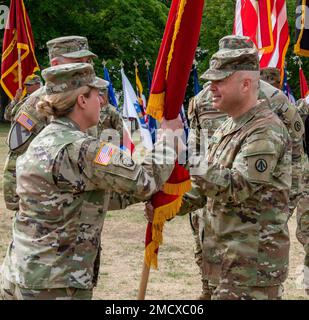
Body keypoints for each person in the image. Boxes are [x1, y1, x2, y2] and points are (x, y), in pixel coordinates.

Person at [0, 63, 183, 300]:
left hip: (22, 274)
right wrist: (168, 142)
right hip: (56, 284)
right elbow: (144, 181)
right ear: (82, 101)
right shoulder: (83, 149)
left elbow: (84, 198)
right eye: (97, 94)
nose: (102, 101)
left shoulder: (43, 139)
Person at [147, 35, 292, 300]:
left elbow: (236, 186)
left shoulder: (266, 130)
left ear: (246, 84)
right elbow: (206, 189)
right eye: (210, 81)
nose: (210, 88)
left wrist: (185, 153)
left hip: (252, 268)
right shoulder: (229, 125)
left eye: (219, 81)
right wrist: (167, 205)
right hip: (224, 260)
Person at [3, 36, 98, 211]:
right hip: (45, 206)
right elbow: (17, 155)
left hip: (77, 199)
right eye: (78, 61)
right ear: (55, 65)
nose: (86, 67)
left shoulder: (85, 97)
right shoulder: (36, 104)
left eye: (88, 61)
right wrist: (19, 204)